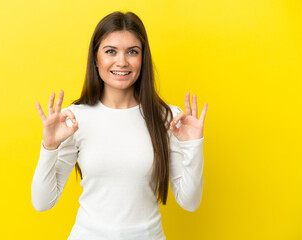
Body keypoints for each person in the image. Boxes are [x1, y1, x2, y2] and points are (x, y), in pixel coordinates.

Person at [31, 11, 208, 240]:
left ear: (143, 58)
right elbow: (42, 202)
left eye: (132, 52)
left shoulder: (167, 117)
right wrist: (49, 146)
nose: (122, 62)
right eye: (110, 51)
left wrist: (193, 146)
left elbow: (190, 202)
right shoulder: (74, 119)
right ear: (96, 58)